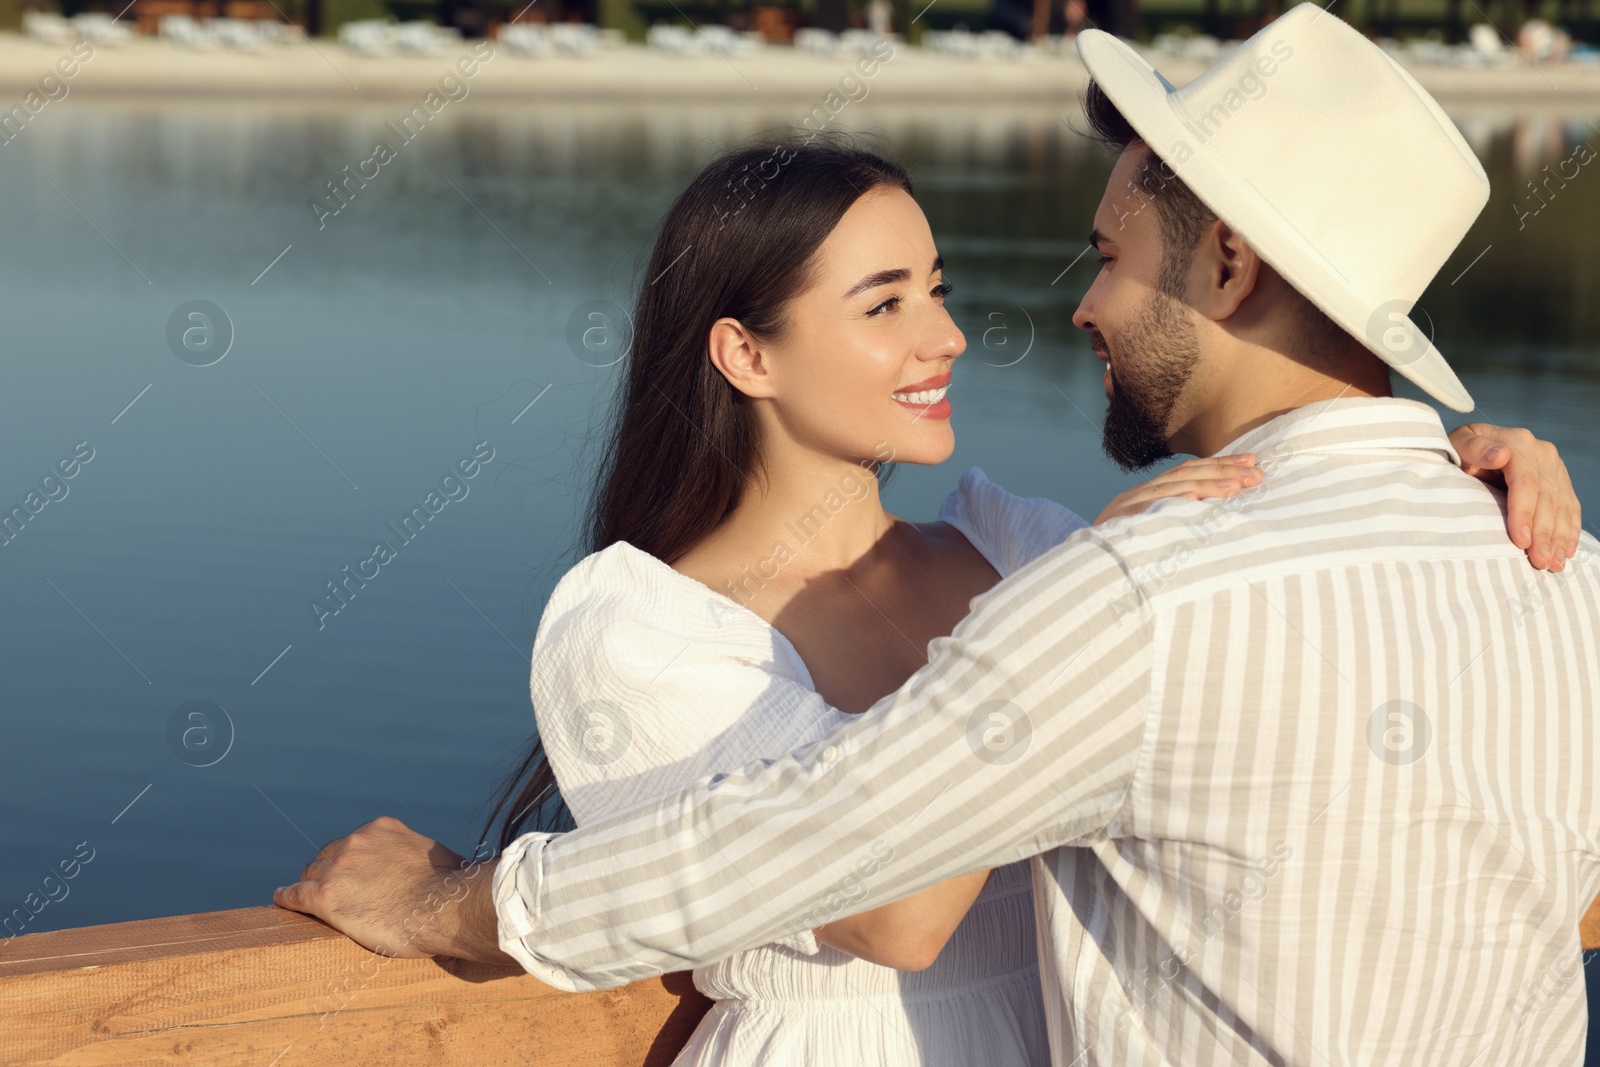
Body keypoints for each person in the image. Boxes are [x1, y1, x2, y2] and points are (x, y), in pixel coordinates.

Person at [275, 8, 1595, 1065]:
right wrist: (1439, 459)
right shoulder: (1559, 572)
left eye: (1113, 253)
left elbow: (811, 844)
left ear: (1232, 270)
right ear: (743, 353)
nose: (1071, 310)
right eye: (887, 302)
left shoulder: (1125, 593)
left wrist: (450, 902)